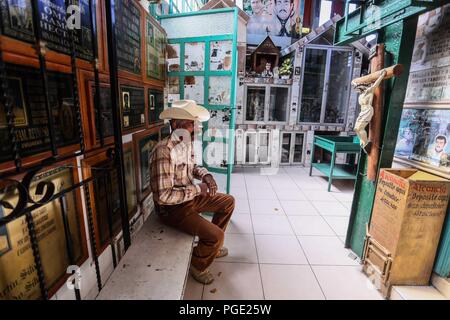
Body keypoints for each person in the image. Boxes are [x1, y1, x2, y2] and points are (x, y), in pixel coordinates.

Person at [149, 100, 235, 285]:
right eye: (190, 124)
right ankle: (198, 264)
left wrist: (207, 176)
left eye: (196, 124)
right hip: (171, 209)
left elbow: (193, 167)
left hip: (189, 197)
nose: (196, 128)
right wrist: (198, 189)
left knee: (228, 201)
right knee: (216, 236)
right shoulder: (164, 151)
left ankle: (210, 246)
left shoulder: (186, 142)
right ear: (174, 125)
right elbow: (163, 197)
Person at [352, 69, 387, 153]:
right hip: (362, 112)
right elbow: (353, 82)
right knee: (356, 129)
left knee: (359, 128)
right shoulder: (361, 95)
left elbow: (375, 85)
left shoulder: (369, 91)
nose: (358, 89)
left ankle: (366, 143)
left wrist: (381, 76)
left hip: (368, 110)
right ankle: (363, 142)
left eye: (359, 87)